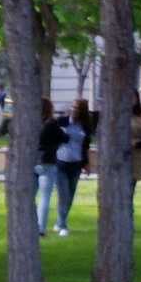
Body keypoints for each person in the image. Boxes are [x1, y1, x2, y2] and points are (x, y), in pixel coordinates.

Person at [50, 98, 94, 236]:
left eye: (77, 109)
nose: (74, 110)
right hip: (61, 163)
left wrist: (87, 163)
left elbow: (85, 146)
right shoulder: (61, 122)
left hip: (76, 164)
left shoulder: (84, 126)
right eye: (73, 107)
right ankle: (63, 225)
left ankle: (59, 222)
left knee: (70, 196)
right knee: (63, 195)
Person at [36, 99, 63, 237]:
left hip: (33, 161)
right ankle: (41, 228)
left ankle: (31, 224)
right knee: (45, 197)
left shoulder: (32, 122)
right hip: (47, 161)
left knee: (30, 196)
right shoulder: (51, 124)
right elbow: (64, 137)